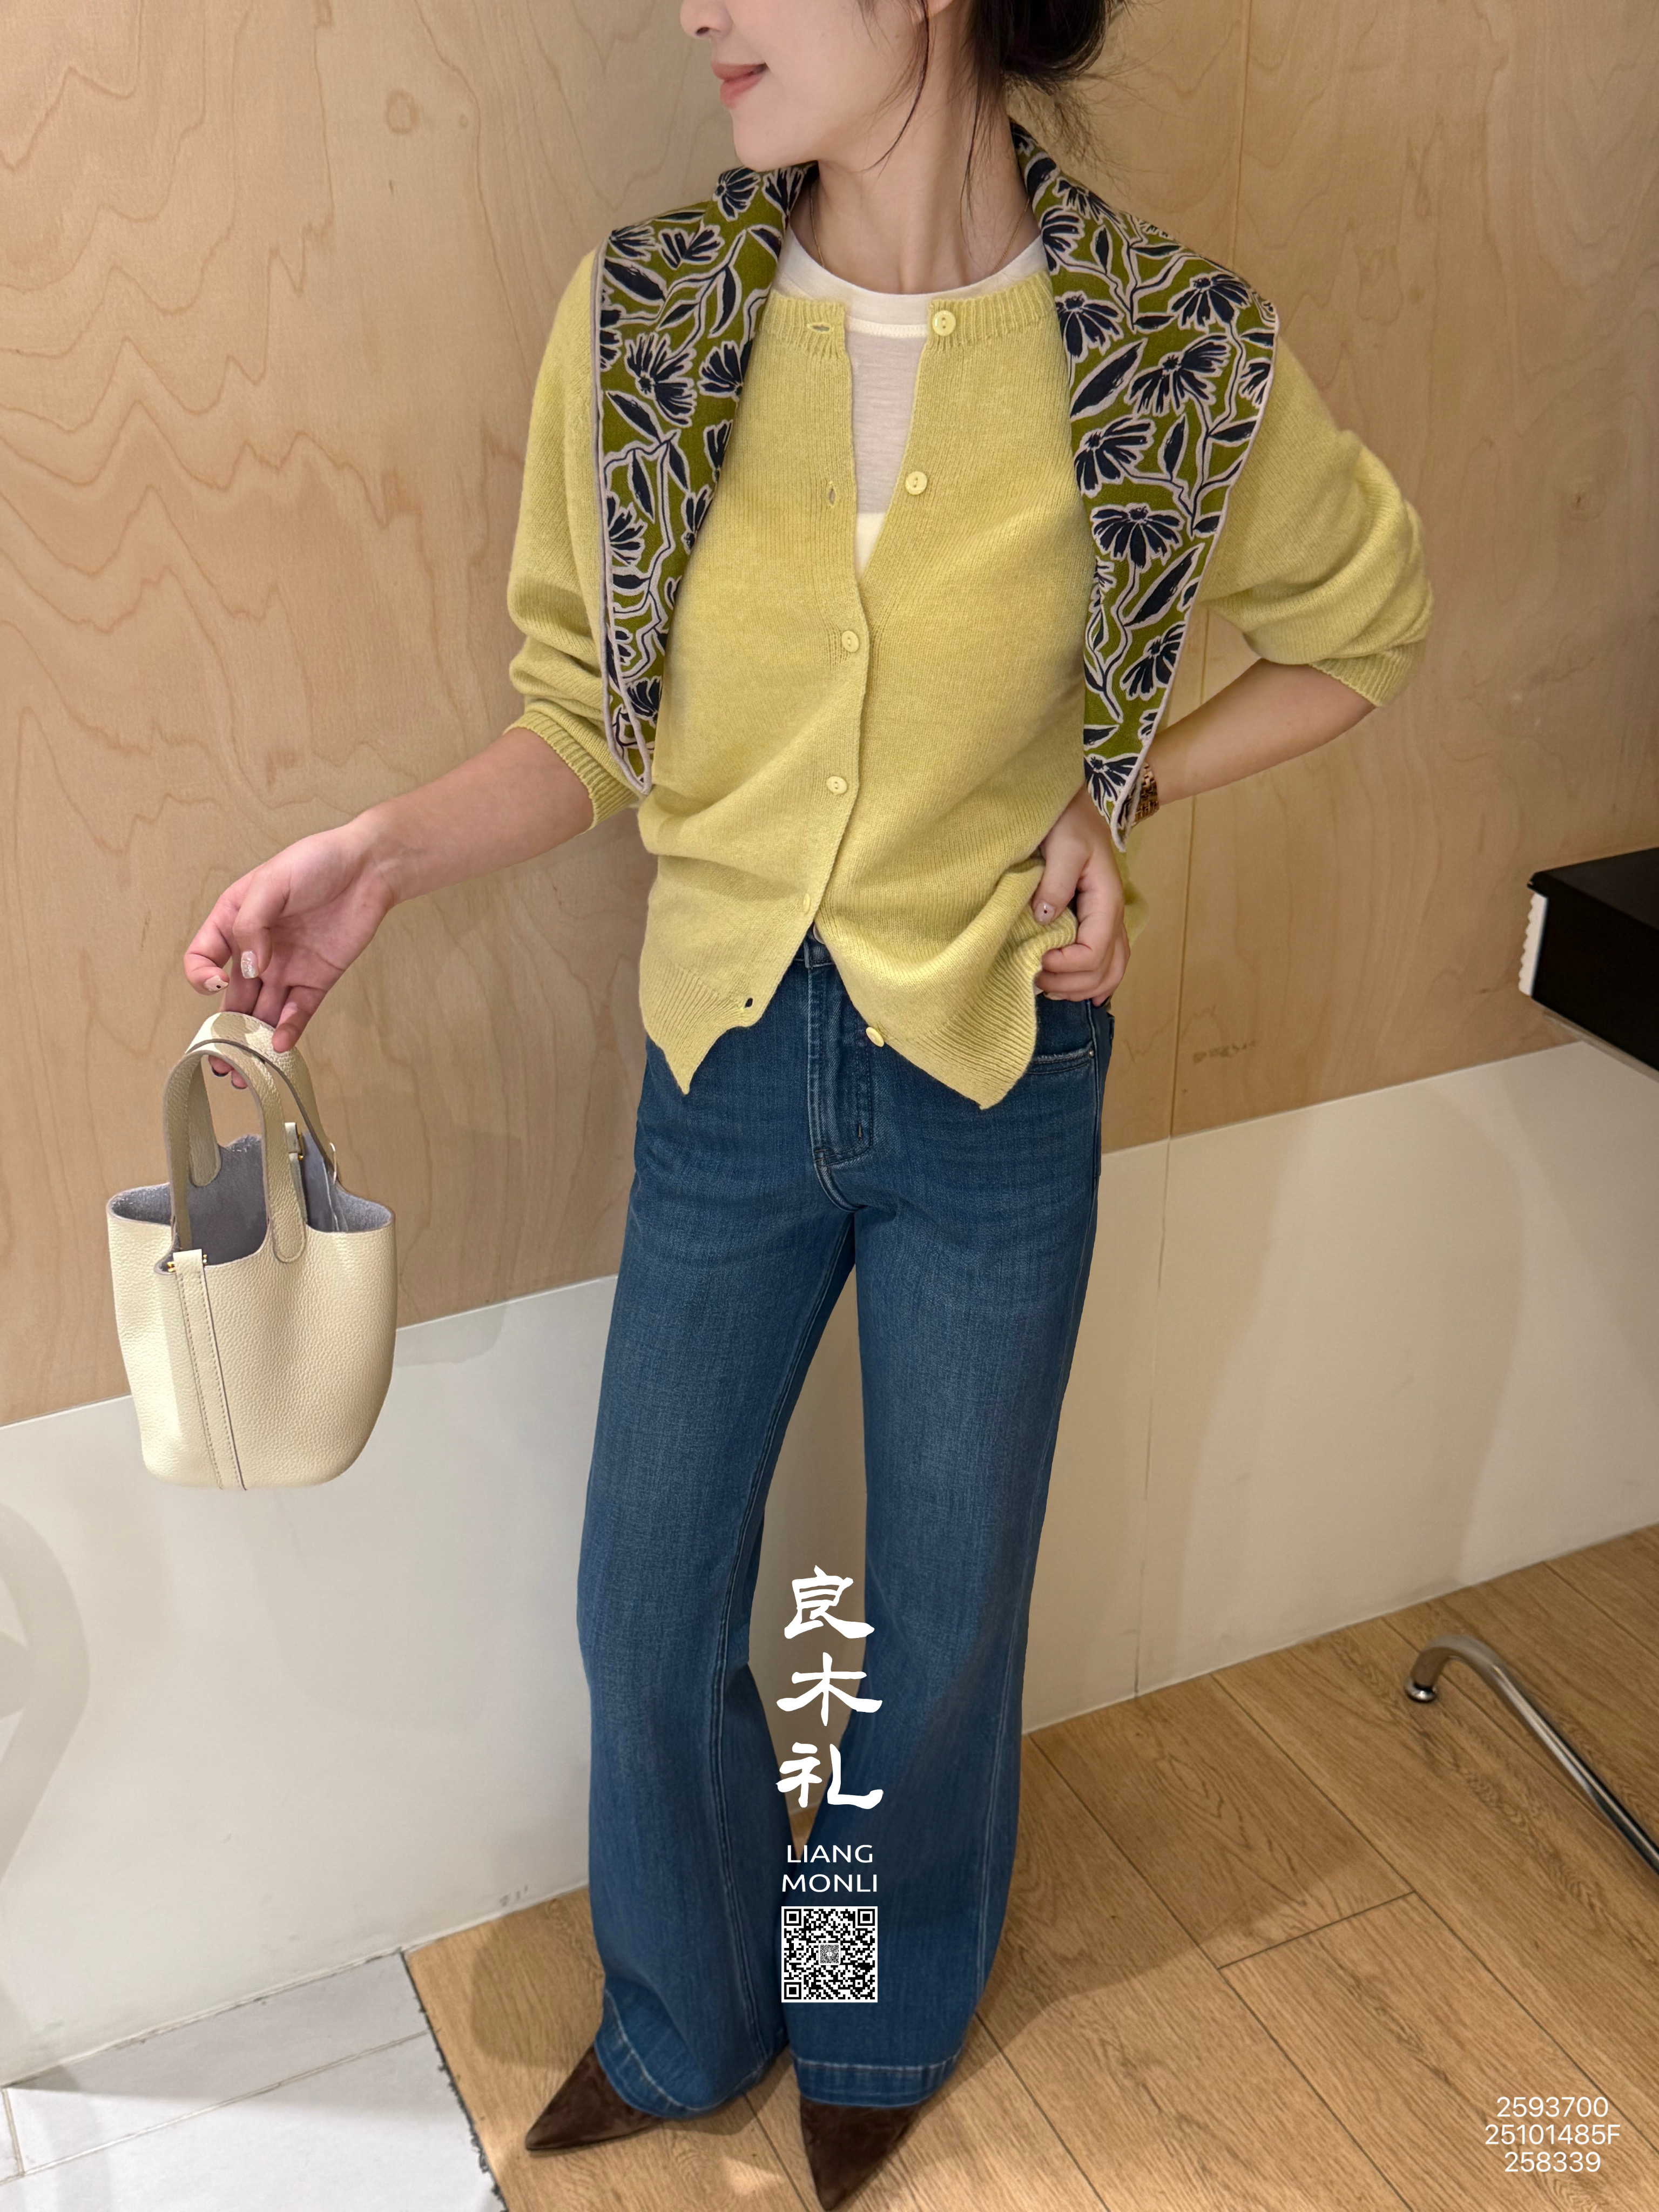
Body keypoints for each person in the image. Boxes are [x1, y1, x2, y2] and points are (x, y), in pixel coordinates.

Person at [184, 2, 1431, 2203]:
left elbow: (1367, 625)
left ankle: (868, 2002)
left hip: (997, 1074)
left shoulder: (1166, 344)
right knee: (644, 1596)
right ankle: (687, 2012)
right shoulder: (651, 315)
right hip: (729, 1070)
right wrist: (373, 857)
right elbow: (585, 715)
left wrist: (1123, 788)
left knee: (938, 1615)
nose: (703, 9)